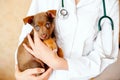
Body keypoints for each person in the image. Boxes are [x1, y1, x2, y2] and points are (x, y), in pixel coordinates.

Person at [15, 0, 119, 80]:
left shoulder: (109, 3)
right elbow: (26, 39)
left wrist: (60, 63)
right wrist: (20, 73)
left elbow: (105, 56)